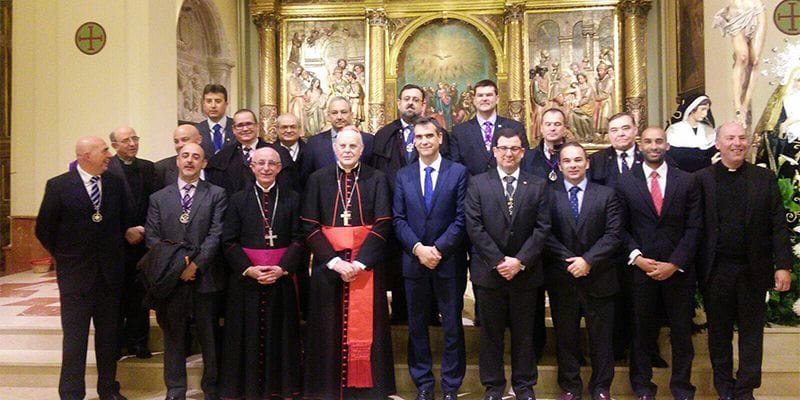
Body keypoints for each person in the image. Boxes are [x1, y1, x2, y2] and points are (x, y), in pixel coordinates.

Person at [695, 122, 793, 400]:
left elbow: (778, 225)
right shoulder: (701, 179)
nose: (737, 143)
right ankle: (725, 390)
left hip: (753, 269)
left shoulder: (764, 178)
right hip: (716, 270)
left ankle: (746, 389)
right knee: (719, 334)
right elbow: (694, 227)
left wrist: (783, 265)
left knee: (752, 334)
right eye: (730, 138)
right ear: (718, 144)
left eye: (741, 138)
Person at [36, 136, 134, 400]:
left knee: (109, 338)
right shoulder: (59, 185)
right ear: (86, 156)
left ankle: (108, 389)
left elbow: (123, 220)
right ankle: (71, 392)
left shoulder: (114, 184)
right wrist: (66, 256)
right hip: (75, 276)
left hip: (109, 275)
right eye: (104, 151)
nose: (109, 155)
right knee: (74, 338)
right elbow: (44, 229)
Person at [301, 127, 396, 399]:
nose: (347, 150)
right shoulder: (318, 179)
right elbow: (309, 225)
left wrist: (360, 263)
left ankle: (365, 392)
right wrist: (334, 261)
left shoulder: (376, 178)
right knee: (327, 329)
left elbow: (383, 223)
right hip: (328, 267)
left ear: (362, 149)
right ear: (334, 148)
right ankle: (326, 390)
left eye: (353, 146)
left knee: (369, 330)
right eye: (342, 146)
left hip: (365, 267)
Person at [615, 127, 701, 400]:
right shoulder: (624, 182)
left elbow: (695, 227)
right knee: (641, 332)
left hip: (678, 271)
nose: (654, 146)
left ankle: (682, 388)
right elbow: (619, 227)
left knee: (682, 334)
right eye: (648, 141)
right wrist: (637, 258)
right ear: (640, 146)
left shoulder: (686, 181)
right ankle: (642, 388)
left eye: (659, 141)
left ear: (667, 145)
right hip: (641, 269)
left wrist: (675, 263)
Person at [465, 128, 551, 400]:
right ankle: (493, 387)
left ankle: (524, 386)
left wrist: (520, 261)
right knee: (491, 334)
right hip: (489, 272)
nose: (508, 153)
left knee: (524, 334)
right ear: (495, 151)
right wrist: (499, 260)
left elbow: (543, 227)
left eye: (514, 148)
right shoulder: (478, 183)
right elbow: (474, 226)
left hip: (525, 273)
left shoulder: (537, 184)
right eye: (503, 148)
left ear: (522, 152)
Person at [393, 116, 469, 400]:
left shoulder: (458, 172)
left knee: (452, 326)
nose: (424, 141)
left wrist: (438, 249)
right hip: (414, 261)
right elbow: (398, 219)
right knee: (416, 326)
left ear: (440, 138)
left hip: (448, 262)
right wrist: (418, 249)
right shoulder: (403, 175)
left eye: (429, 136)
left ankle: (450, 385)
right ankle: (423, 383)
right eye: (419, 137)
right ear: (413, 141)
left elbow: (462, 218)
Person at [219, 147, 303, 399]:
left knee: (281, 334)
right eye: (261, 163)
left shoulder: (292, 198)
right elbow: (229, 241)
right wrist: (248, 269)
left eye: (271, 163)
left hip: (282, 278)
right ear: (252, 167)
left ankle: (280, 387)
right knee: (247, 334)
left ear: (279, 168)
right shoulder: (238, 199)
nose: (266, 168)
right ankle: (249, 389)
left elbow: (300, 238)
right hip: (247, 280)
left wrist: (282, 268)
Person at [145, 143, 227, 400]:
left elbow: (216, 234)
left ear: (204, 163)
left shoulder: (216, 194)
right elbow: (152, 238)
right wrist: (179, 267)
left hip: (205, 277)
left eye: (196, 157)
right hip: (172, 280)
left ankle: (211, 387)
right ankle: (175, 389)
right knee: (173, 336)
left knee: (209, 336)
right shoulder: (159, 198)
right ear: (177, 161)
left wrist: (196, 265)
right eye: (185, 156)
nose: (190, 160)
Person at [545, 142, 621, 400]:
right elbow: (544, 234)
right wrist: (571, 261)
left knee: (601, 338)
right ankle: (570, 387)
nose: (573, 165)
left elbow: (613, 234)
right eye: (567, 161)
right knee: (566, 337)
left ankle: (601, 387)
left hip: (599, 276)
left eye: (578, 160)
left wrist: (588, 260)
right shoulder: (549, 195)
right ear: (560, 166)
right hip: (563, 277)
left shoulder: (607, 194)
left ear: (587, 163)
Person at [372, 83, 428, 325]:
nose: (410, 103)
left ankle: (429, 314)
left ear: (423, 104)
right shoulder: (384, 134)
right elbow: (375, 174)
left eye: (416, 99)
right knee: (396, 265)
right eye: (406, 99)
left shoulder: (434, 133)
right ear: (398, 103)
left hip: (426, 213)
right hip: (393, 212)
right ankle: (399, 313)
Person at [107, 126, 157, 360]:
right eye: (126, 140)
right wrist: (124, 231)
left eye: (135, 138)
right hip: (117, 244)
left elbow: (155, 203)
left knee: (140, 296)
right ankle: (117, 343)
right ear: (114, 145)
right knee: (117, 297)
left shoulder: (148, 168)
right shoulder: (107, 168)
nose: (132, 143)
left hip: (143, 243)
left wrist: (145, 229)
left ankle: (139, 342)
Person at [450, 79, 527, 177]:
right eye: (480, 95)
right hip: (471, 185)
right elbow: (456, 166)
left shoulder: (515, 127)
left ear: (497, 99)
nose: (484, 99)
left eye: (489, 95)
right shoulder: (459, 131)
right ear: (474, 100)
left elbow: (524, 161)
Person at [206, 108, 291, 197]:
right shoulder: (222, 158)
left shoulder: (278, 153)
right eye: (240, 125)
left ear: (257, 126)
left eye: (249, 124)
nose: (245, 129)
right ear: (234, 129)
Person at [713, 0, 766, 126]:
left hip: (756, 9)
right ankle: (737, 106)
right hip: (736, 12)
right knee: (742, 57)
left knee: (755, 60)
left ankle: (745, 105)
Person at [300, 96, 374, 182]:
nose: (339, 117)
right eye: (334, 113)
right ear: (328, 116)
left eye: (344, 112)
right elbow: (307, 178)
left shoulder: (368, 140)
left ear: (351, 114)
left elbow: (373, 173)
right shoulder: (314, 143)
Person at [665, 94, 718, 172]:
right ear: (692, 109)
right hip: (682, 174)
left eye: (707, 110)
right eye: (702, 109)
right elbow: (676, 157)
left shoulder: (709, 131)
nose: (705, 114)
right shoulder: (675, 129)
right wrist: (707, 162)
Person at [154, 124, 204, 190]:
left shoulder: (212, 165)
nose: (180, 145)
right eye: (176, 141)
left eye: (185, 140)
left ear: (199, 140)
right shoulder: (161, 168)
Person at [195, 84, 234, 156]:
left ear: (226, 104)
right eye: (209, 101)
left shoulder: (236, 127)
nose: (213, 106)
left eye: (218, 101)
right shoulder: (196, 131)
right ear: (204, 104)